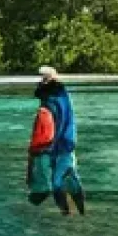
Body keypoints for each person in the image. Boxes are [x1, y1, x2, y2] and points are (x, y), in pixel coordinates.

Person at [33, 66, 86, 216]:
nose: (40, 82)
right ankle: (81, 212)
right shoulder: (62, 95)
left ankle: (65, 214)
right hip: (65, 144)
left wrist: (44, 148)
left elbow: (53, 126)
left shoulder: (53, 99)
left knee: (57, 183)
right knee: (71, 179)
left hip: (60, 146)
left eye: (43, 79)